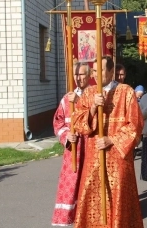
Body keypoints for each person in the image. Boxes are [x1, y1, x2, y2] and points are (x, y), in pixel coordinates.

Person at [72, 56, 144, 228]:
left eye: (101, 70)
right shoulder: (89, 93)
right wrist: (92, 108)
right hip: (93, 158)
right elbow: (77, 122)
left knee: (118, 199)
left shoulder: (126, 92)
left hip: (118, 159)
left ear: (112, 72)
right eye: (94, 71)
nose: (96, 75)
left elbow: (135, 124)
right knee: (91, 197)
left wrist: (111, 139)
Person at [51, 62, 90, 226]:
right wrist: (67, 136)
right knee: (71, 185)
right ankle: (69, 219)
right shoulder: (66, 99)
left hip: (89, 150)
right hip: (73, 151)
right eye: (76, 74)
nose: (78, 78)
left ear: (89, 76)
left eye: (81, 74)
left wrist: (80, 101)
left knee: (88, 186)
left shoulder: (93, 95)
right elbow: (58, 123)